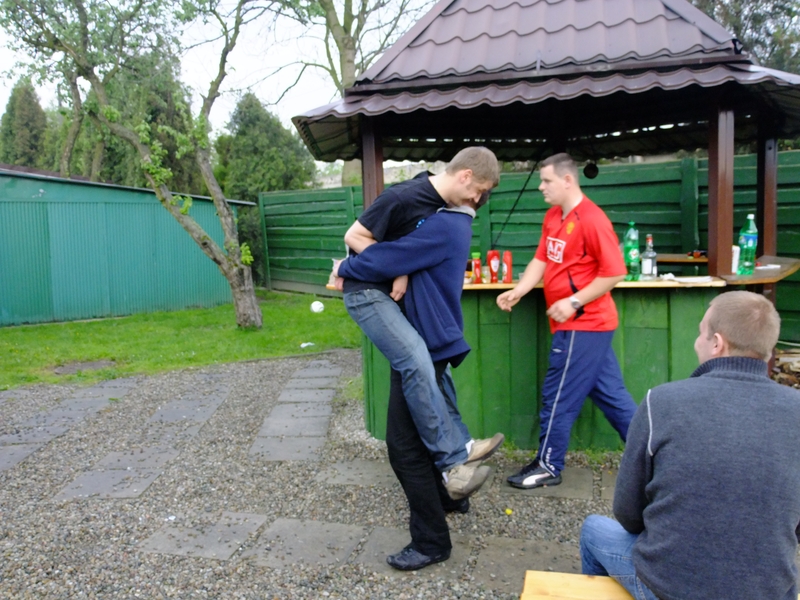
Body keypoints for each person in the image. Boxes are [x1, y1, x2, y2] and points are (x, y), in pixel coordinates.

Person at [580, 291, 800, 600]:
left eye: (700, 333)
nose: (697, 342)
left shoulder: (660, 401)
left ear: (717, 343)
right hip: (769, 592)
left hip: (668, 588)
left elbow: (628, 514)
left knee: (593, 529)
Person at [335, 147, 504, 501]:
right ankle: (452, 464)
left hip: (388, 289)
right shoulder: (403, 196)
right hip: (366, 289)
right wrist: (357, 267)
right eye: (478, 191)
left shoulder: (437, 203)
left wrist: (401, 269)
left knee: (434, 365)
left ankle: (462, 445)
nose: (477, 200)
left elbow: (405, 248)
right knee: (415, 361)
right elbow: (354, 236)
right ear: (466, 175)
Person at [334, 195, 490, 571]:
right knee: (418, 432)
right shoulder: (446, 220)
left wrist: (347, 265)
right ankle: (451, 497)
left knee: (404, 448)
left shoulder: (440, 222)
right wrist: (398, 271)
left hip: (417, 341)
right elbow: (399, 259)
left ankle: (431, 541)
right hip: (424, 335)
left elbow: (379, 255)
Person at [496, 153, 637, 489]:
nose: (541, 187)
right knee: (612, 397)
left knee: (558, 397)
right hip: (584, 327)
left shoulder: (592, 219)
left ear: (568, 180)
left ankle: (548, 465)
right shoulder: (553, 216)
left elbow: (615, 272)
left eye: (546, 181)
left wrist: (573, 302)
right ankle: (657, 457)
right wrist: (519, 290)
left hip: (583, 325)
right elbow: (542, 258)